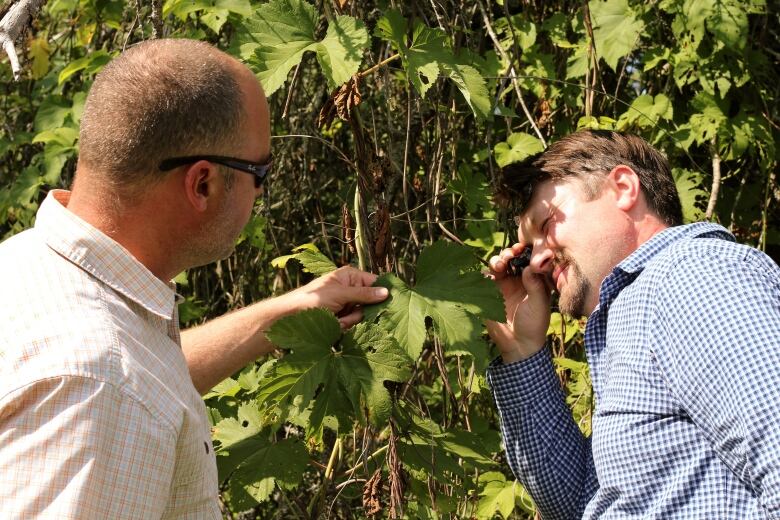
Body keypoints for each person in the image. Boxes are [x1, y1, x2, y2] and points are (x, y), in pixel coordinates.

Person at [0, 39, 388, 518]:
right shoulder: (105, 389)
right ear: (202, 183)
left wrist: (289, 311)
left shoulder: (32, 269)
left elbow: (150, 376)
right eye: (259, 173)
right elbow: (122, 385)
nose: (261, 191)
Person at [485, 130, 780, 518]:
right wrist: (521, 350)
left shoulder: (694, 274)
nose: (537, 260)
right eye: (529, 247)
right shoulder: (633, 310)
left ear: (623, 187)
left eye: (547, 223)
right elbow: (580, 503)